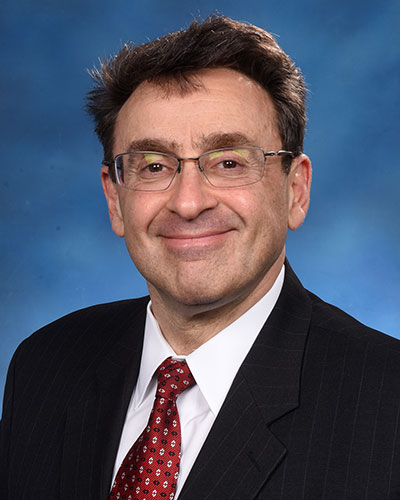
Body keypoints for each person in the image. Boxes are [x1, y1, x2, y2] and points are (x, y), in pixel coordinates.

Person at [1, 15, 400, 500]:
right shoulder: (44, 367)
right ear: (115, 199)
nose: (188, 203)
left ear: (296, 190)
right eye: (153, 166)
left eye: (229, 162)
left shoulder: (387, 405)